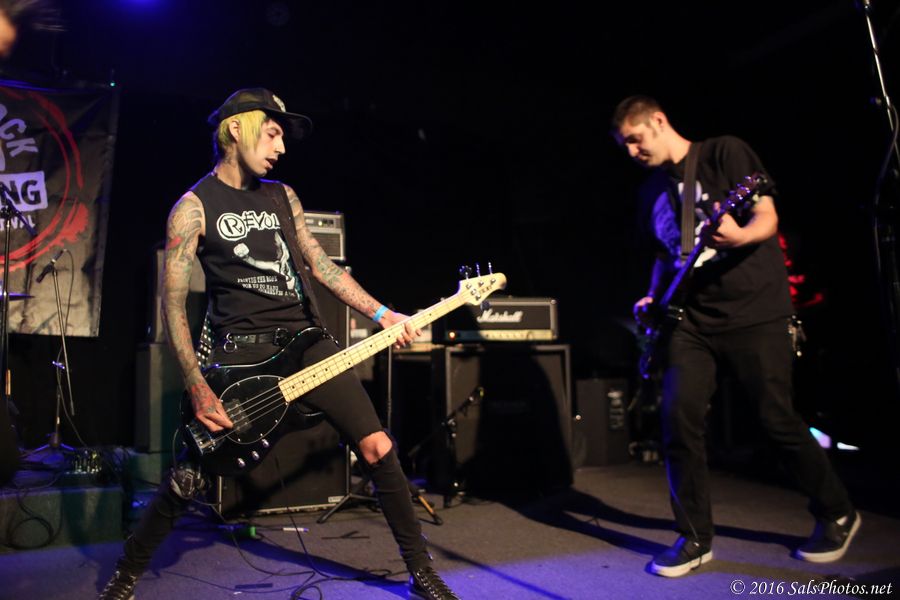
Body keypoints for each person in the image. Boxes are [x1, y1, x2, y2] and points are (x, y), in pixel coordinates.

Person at [99, 88, 460, 600]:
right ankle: (126, 574)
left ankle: (421, 572)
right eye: (272, 134)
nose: (281, 147)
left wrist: (383, 315)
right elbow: (173, 305)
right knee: (191, 474)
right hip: (241, 353)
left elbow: (322, 265)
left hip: (306, 343)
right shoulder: (193, 208)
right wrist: (197, 385)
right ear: (235, 129)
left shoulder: (282, 196)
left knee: (378, 446)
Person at [611, 95, 859, 577]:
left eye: (635, 140)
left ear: (659, 121)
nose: (631, 152)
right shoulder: (650, 192)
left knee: (775, 418)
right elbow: (665, 254)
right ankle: (694, 536)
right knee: (678, 420)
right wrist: (653, 296)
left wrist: (741, 236)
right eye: (624, 146)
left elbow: (767, 215)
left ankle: (837, 511)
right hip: (690, 320)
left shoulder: (724, 153)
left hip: (753, 310)